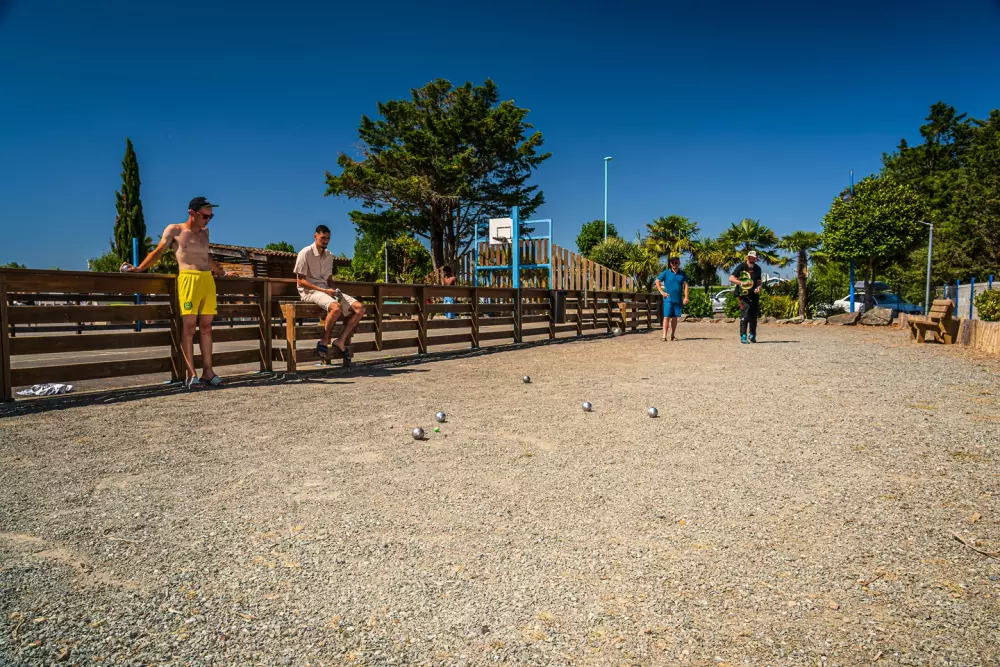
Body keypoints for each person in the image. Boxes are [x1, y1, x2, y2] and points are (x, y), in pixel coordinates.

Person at [124, 196, 228, 389]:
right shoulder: (175, 230)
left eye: (211, 217)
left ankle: (208, 372)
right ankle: (191, 375)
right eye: (205, 216)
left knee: (206, 327)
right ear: (192, 213)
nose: (208, 220)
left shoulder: (205, 232)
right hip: (187, 279)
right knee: (189, 328)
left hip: (207, 280)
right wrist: (139, 268)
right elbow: (158, 252)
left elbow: (206, 257)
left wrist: (223, 273)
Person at [294, 225, 365, 362]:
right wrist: (324, 291)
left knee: (360, 309)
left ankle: (340, 340)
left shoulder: (329, 255)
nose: (325, 241)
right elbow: (301, 281)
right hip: (310, 291)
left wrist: (334, 291)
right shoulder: (305, 253)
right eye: (323, 238)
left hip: (326, 290)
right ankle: (324, 340)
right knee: (336, 308)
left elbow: (329, 280)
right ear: (315, 236)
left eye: (328, 238)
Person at [729, 250, 763, 344]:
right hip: (742, 294)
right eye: (750, 257)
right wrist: (742, 283)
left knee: (754, 315)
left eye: (753, 258)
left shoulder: (758, 268)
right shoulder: (741, 266)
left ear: (756, 259)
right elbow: (731, 278)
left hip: (754, 294)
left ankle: (752, 334)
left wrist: (759, 288)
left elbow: (759, 282)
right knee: (745, 313)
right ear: (747, 257)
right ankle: (743, 335)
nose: (751, 259)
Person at [654, 256, 689, 341]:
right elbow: (657, 281)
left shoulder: (682, 274)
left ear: (679, 263)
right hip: (668, 298)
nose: (674, 264)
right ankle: (664, 336)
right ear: (670, 264)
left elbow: (686, 285)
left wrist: (686, 297)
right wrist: (661, 292)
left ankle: (672, 335)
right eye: (672, 262)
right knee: (666, 317)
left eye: (676, 262)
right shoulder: (666, 272)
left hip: (678, 299)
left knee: (675, 318)